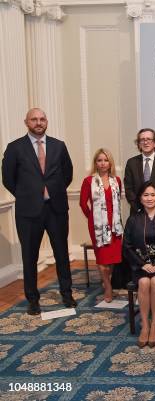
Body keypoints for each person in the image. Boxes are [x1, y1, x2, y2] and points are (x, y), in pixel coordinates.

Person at [1, 108, 76, 315]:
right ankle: (33, 299)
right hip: (28, 212)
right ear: (26, 122)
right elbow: (8, 179)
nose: (39, 122)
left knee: (61, 253)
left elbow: (67, 174)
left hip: (56, 208)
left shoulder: (59, 146)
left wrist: (53, 191)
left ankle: (67, 294)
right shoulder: (15, 148)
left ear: (47, 121)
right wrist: (28, 195)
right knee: (30, 256)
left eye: (42, 119)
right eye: (34, 119)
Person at [122, 182, 155, 348]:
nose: (150, 198)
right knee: (144, 282)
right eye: (146, 195)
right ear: (140, 198)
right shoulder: (133, 219)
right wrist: (141, 264)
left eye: (153, 195)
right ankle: (145, 325)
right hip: (140, 266)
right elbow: (127, 246)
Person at [80, 148, 123, 303]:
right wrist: (92, 218)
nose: (103, 163)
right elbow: (83, 204)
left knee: (112, 259)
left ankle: (108, 280)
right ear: (95, 163)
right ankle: (108, 286)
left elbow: (117, 202)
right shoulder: (88, 181)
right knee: (102, 259)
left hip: (115, 226)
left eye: (105, 160)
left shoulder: (116, 180)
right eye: (99, 160)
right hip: (98, 226)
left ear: (110, 162)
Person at [124, 128, 155, 215]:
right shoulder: (131, 163)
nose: (145, 142)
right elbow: (128, 189)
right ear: (138, 144)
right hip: (137, 212)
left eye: (149, 139)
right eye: (142, 140)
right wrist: (139, 208)